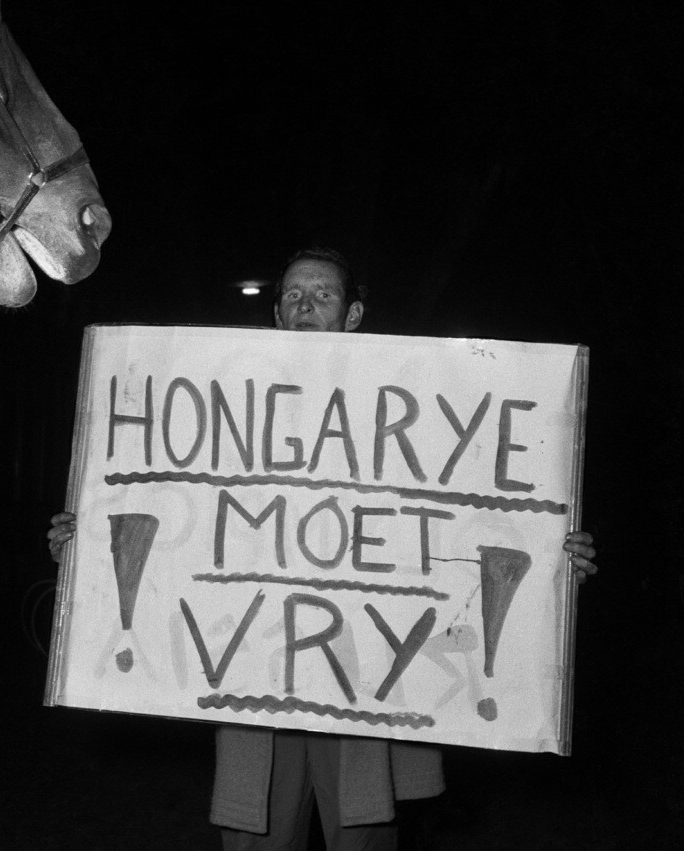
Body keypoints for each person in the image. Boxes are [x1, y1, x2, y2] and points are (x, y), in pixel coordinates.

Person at [47, 248, 598, 849]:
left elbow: (461, 523)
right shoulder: (232, 388)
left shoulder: (411, 399)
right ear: (278, 313)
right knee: (255, 834)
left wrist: (551, 561)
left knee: (360, 832)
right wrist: (89, 551)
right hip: (254, 671)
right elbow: (183, 519)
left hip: (365, 674)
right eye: (291, 295)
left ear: (354, 314)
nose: (304, 305)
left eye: (323, 295)